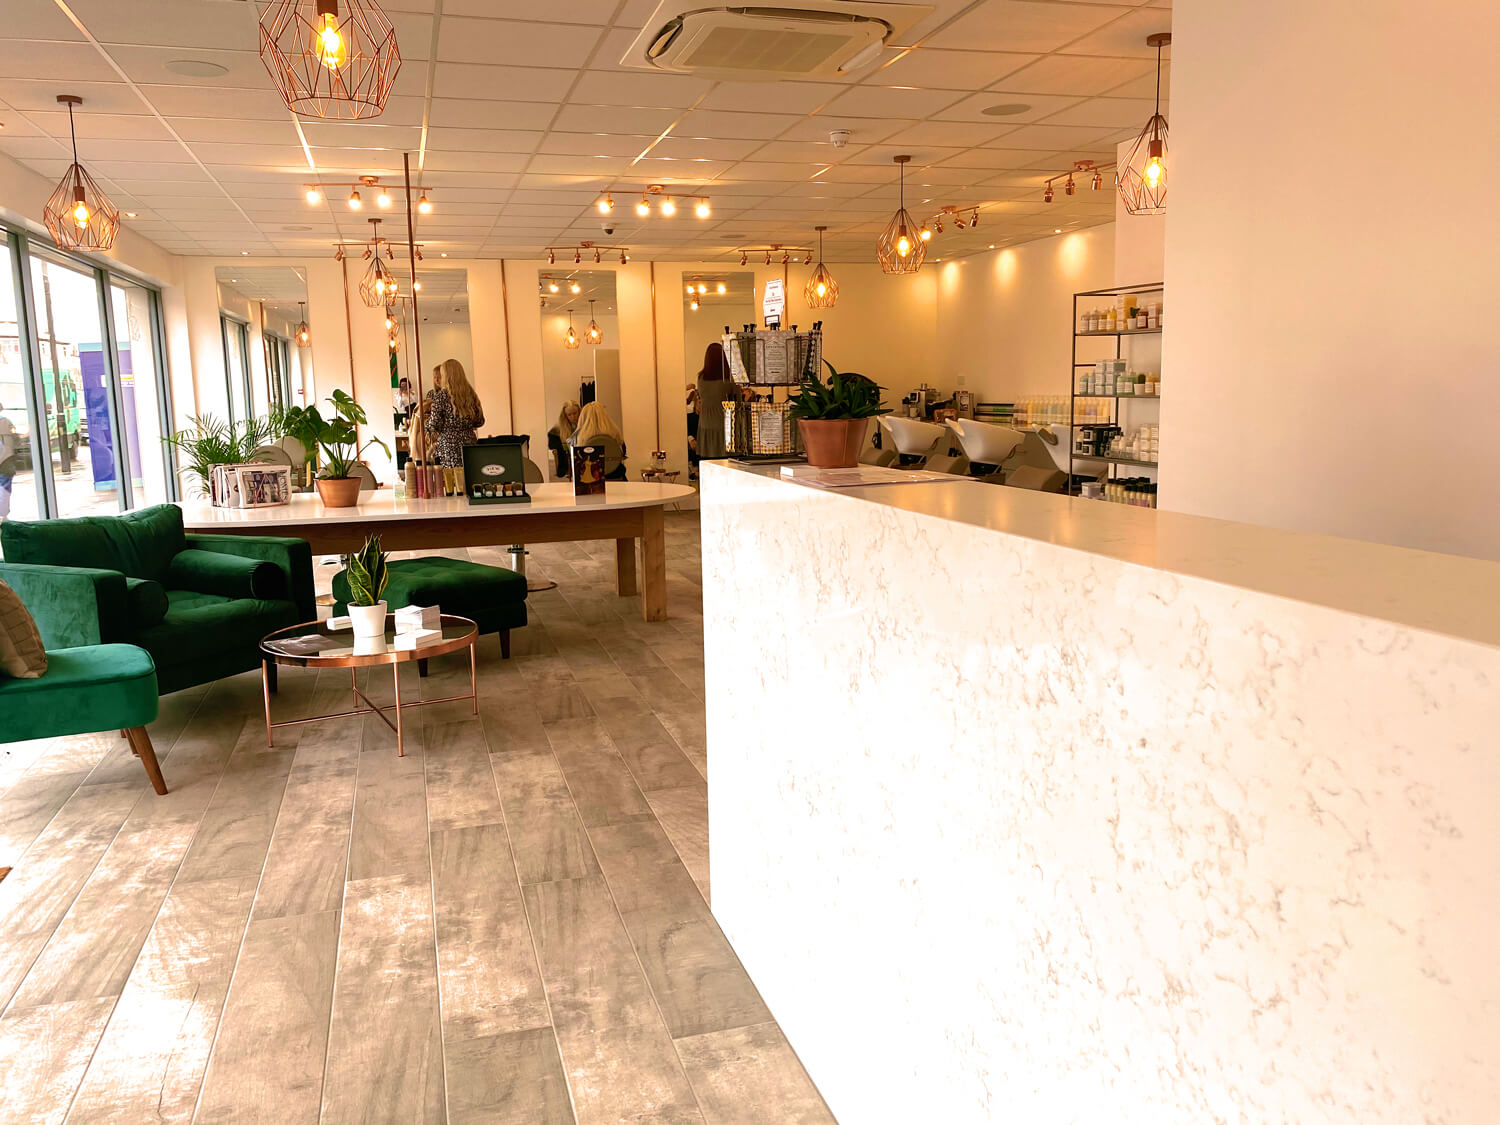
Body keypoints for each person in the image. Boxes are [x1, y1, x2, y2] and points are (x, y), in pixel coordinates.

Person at [423, 358, 485, 468]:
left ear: (446, 376)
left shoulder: (441, 396)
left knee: (451, 478)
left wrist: (426, 424)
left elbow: (434, 425)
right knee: (470, 476)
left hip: (448, 448)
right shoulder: (471, 394)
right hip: (470, 445)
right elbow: (480, 421)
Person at [571, 401, 628, 480]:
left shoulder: (580, 437)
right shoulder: (615, 433)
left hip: (592, 480)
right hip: (617, 477)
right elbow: (623, 454)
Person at [693, 341, 731, 461]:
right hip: (723, 424)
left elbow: (702, 397)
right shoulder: (728, 378)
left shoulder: (701, 377)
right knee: (725, 464)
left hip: (705, 424)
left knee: (708, 464)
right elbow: (737, 401)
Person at [547, 399, 580, 478]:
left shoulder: (584, 422)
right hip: (566, 450)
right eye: (569, 415)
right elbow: (551, 445)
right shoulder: (558, 427)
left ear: (579, 412)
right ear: (565, 415)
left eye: (575, 413)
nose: (573, 417)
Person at [0, 403, 18, 520]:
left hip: (6, 457)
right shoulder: (6, 422)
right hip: (6, 458)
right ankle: (3, 514)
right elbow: (15, 437)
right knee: (5, 487)